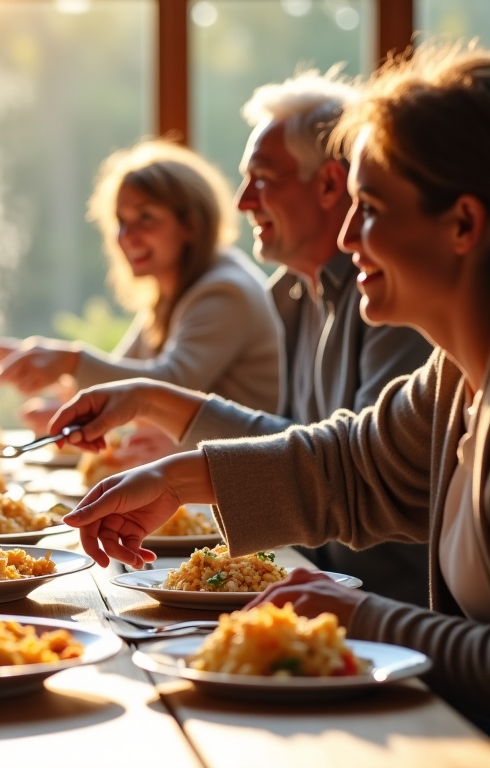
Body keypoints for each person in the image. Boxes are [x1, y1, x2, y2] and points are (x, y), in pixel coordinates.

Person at [52, 44, 490, 766]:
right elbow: (349, 464)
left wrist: (358, 615)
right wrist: (175, 479)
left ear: (463, 224)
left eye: (368, 209)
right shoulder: (464, 366)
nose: (345, 237)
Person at [68, 71, 435, 606]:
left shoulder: (391, 299)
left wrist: (170, 436)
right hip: (311, 576)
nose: (242, 202)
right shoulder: (287, 293)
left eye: (262, 178)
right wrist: (157, 415)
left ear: (331, 185)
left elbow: (358, 469)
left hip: (384, 601)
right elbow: (324, 451)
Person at [0, 139, 281, 456]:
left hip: (250, 479)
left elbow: (170, 383)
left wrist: (69, 361)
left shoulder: (225, 291)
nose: (127, 236)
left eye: (145, 217)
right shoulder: (171, 292)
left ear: (190, 224)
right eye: (121, 221)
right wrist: (38, 369)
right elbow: (121, 375)